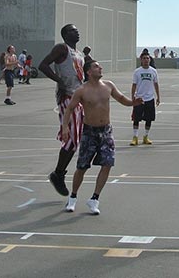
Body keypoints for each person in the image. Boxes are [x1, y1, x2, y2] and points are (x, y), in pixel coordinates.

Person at [60, 58, 141, 214]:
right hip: (89, 132)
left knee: (108, 163)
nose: (100, 68)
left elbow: (122, 99)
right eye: (96, 67)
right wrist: (65, 127)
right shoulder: (81, 90)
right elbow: (69, 109)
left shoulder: (109, 86)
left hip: (106, 132)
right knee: (82, 167)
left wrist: (134, 103)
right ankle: (73, 197)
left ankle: (94, 199)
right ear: (89, 72)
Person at [39, 24, 86, 198]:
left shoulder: (79, 53)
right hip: (67, 96)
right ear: (66, 34)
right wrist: (60, 80)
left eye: (77, 29)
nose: (78, 31)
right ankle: (58, 173)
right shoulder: (61, 48)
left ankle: (60, 172)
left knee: (77, 138)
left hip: (79, 97)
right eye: (74, 30)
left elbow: (82, 72)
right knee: (71, 139)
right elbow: (43, 65)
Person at [130, 49, 160, 145]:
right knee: (136, 119)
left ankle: (146, 136)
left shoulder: (153, 71)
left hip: (150, 98)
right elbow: (134, 85)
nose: (146, 60)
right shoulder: (137, 72)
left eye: (147, 58)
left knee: (149, 119)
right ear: (141, 60)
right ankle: (135, 137)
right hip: (139, 99)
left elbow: (156, 84)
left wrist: (158, 96)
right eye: (144, 58)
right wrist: (132, 98)